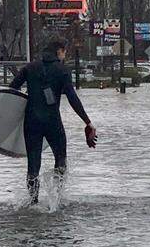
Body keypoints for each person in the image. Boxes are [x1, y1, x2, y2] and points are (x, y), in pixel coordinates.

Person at [10, 39, 97, 204]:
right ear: (60, 51)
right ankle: (57, 199)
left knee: (33, 165)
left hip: (31, 122)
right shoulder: (62, 70)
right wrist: (87, 122)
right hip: (52, 122)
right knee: (61, 159)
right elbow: (72, 98)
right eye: (64, 53)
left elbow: (11, 90)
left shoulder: (29, 68)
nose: (64, 56)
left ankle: (33, 202)